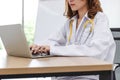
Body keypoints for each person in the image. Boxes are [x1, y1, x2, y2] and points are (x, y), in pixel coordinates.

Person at [30, 0, 116, 80]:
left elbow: (96, 51)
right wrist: (38, 47)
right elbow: (53, 40)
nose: (70, 0)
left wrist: (53, 49)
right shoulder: (71, 22)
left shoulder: (100, 19)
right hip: (66, 75)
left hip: (88, 76)